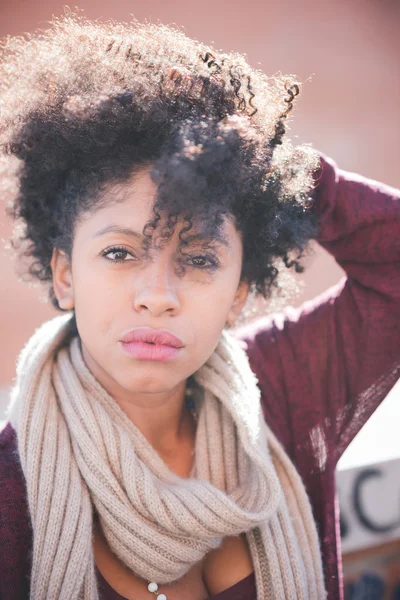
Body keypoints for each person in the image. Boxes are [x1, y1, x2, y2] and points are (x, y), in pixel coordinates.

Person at [0, 11, 399, 600]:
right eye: (119, 253)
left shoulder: (285, 387)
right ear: (65, 275)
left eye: (201, 259)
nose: (158, 296)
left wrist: (278, 167)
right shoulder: (12, 489)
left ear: (239, 293)